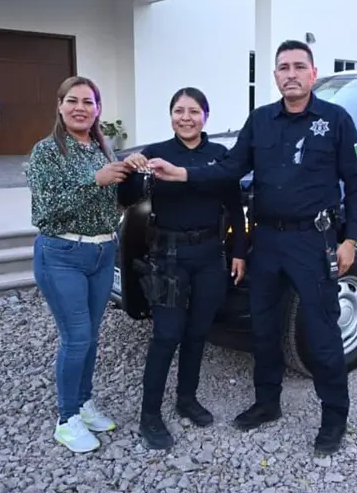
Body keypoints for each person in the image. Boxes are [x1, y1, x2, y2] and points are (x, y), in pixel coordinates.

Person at [146, 40, 357, 455]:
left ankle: (334, 418)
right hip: (266, 241)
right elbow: (231, 167)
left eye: (299, 66)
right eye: (283, 67)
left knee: (321, 331)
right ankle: (268, 402)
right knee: (264, 329)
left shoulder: (336, 120)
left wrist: (351, 239)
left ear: (313, 73)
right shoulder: (261, 120)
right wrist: (182, 174)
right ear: (275, 75)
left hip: (312, 241)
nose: (291, 74)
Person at [119, 87, 249, 451]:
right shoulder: (156, 152)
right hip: (168, 258)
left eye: (193, 111)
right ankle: (149, 415)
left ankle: (186, 399)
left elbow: (235, 207)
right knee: (166, 335)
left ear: (206, 116)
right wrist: (130, 170)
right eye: (179, 111)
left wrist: (239, 252)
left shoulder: (219, 156)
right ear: (171, 115)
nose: (186, 118)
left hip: (210, 256)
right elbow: (127, 199)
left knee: (198, 332)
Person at [25, 76, 134, 454]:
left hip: (101, 254)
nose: (80, 108)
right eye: (72, 101)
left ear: (98, 109)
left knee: (90, 336)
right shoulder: (47, 152)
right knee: (77, 337)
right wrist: (95, 181)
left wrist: (132, 172)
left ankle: (83, 402)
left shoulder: (102, 149)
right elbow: (46, 209)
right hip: (62, 254)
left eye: (89, 102)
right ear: (60, 105)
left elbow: (116, 202)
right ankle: (66, 418)